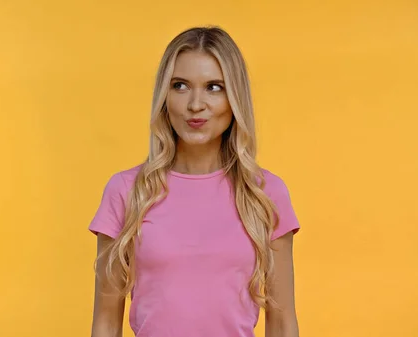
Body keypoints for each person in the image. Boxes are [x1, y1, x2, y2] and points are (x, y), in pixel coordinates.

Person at [89, 26, 300, 337]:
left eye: (214, 87)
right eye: (180, 86)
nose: (195, 104)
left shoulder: (265, 194)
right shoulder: (126, 191)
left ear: (234, 98)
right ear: (164, 96)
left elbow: (282, 324)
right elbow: (106, 323)